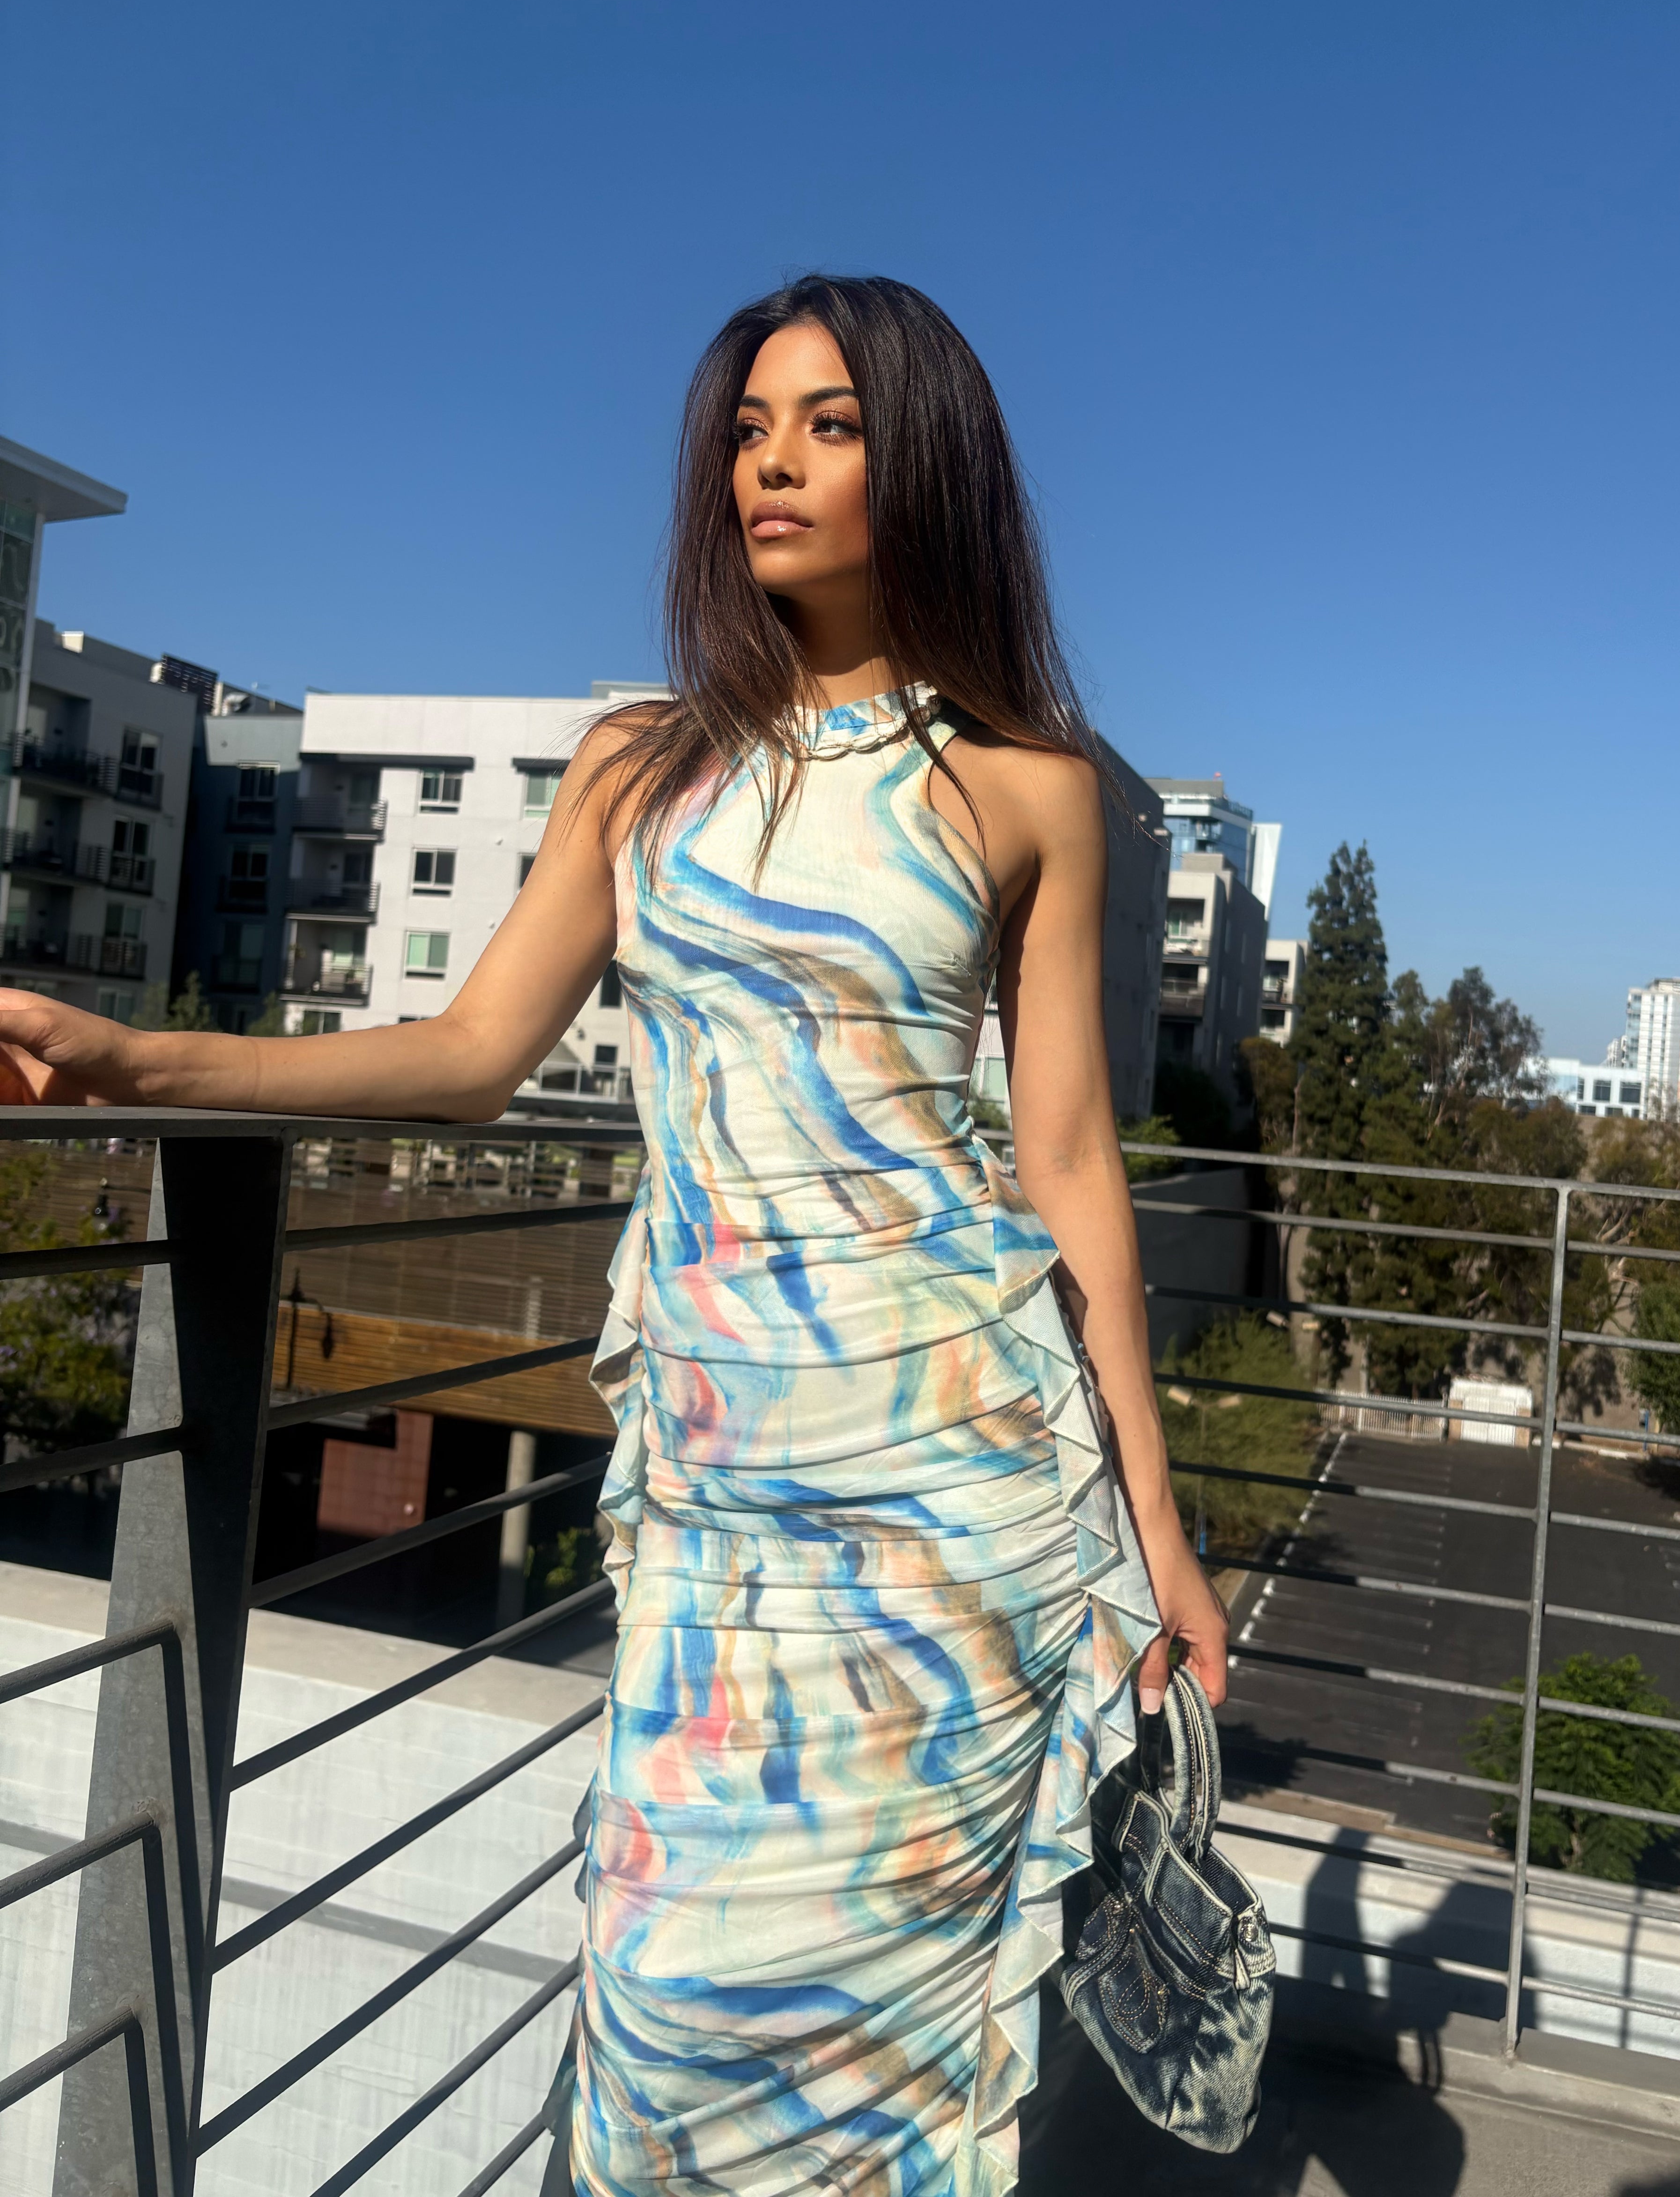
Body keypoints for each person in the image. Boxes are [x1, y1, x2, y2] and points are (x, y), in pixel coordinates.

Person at [0, 275, 1229, 2196]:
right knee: (662, 2005)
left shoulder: (1026, 786)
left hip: (948, 1488)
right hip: (727, 1491)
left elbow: (1069, 1163)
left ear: (926, 464)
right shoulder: (638, 765)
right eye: (748, 427)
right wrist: (142, 1048)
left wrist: (1156, 1534)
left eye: (827, 423)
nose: (773, 464)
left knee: (888, 2054)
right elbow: (473, 1054)